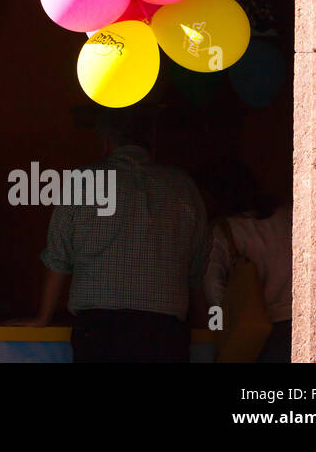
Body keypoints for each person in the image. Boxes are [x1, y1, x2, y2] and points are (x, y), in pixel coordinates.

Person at [17, 110, 209, 362]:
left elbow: (58, 259)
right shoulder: (183, 188)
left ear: (105, 140)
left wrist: (43, 317)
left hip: (99, 333)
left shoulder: (82, 183)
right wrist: (207, 325)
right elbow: (196, 270)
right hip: (164, 333)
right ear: (150, 137)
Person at [198, 159, 292, 362]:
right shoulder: (290, 216)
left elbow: (213, 288)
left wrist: (222, 324)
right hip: (304, 322)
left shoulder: (225, 231)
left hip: (256, 330)